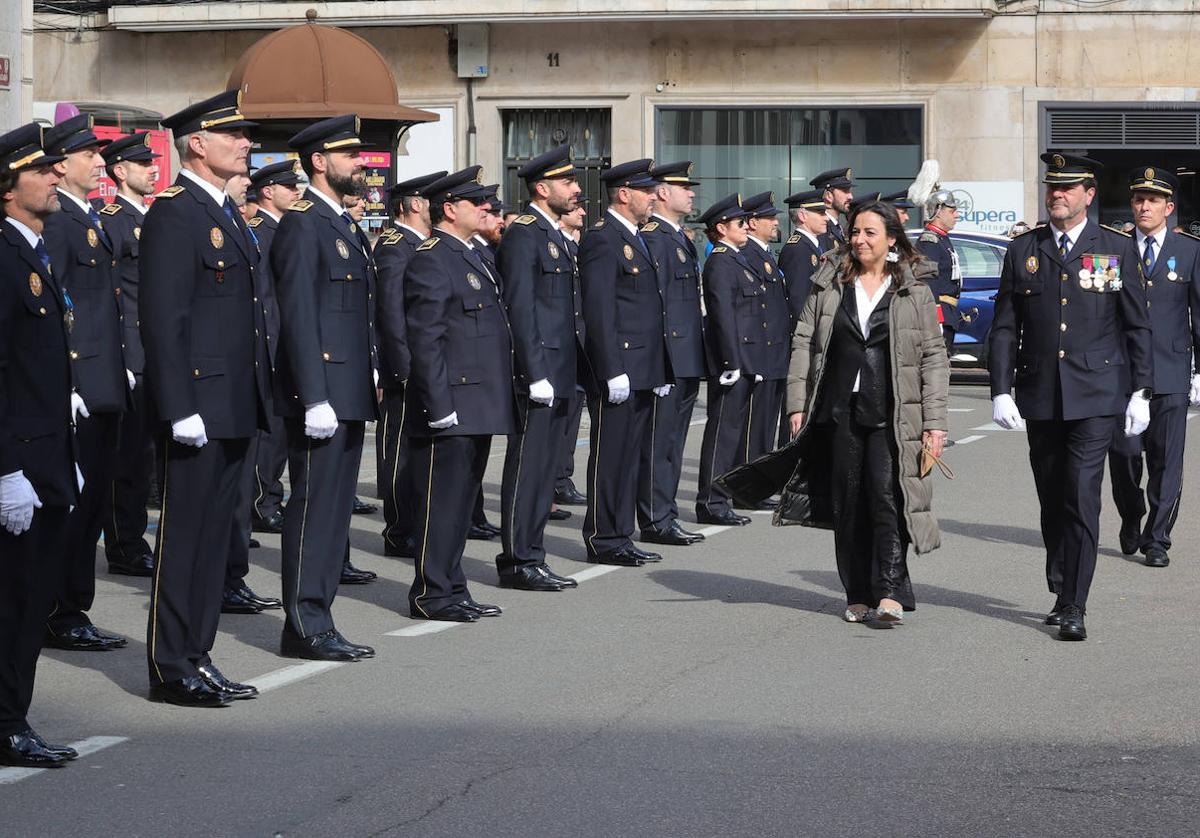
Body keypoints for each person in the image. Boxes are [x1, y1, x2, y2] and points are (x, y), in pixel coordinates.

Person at [720, 199, 949, 624]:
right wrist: (796, 405)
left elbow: (934, 356)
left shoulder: (913, 288)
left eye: (869, 233)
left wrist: (935, 422)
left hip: (892, 412)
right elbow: (804, 342)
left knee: (886, 497)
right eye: (855, 232)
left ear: (892, 239)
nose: (859, 240)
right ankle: (857, 592)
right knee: (847, 502)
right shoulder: (829, 282)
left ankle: (891, 592)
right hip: (837, 409)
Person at [988, 152, 1153, 641]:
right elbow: (1004, 326)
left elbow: (1136, 325)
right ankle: (1061, 585)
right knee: (1052, 495)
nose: (1056, 194)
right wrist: (1000, 389)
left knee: (1082, 495)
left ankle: (1074, 601)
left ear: (1088, 195)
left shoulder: (1116, 248)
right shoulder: (1024, 250)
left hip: (1098, 393)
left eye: (1067, 188)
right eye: (1051, 187)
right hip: (1041, 393)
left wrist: (1141, 389)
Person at [140, 90, 270, 705]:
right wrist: (178, 405)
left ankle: (199, 653)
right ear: (198, 143)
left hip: (235, 402)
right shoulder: (175, 212)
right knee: (186, 539)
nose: (246, 144)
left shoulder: (225, 212)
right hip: (197, 405)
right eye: (234, 135)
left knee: (217, 540)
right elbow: (165, 319)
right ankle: (172, 664)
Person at [271, 114, 379, 660]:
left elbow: (355, 314)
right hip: (323, 395)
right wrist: (313, 396)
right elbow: (298, 317)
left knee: (335, 514)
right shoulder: (302, 223)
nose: (360, 163)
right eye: (350, 155)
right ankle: (304, 625)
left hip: (349, 389)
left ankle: (320, 617)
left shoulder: (342, 224)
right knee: (314, 511)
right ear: (320, 161)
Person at [0, 123, 80, 767]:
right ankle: (6, 724)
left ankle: (11, 717)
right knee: (16, 602)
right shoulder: (3, 256)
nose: (56, 177)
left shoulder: (32, 248)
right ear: (8, 188)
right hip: (18, 460)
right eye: (41, 170)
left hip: (46, 453)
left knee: (29, 600)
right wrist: (6, 471)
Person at [404, 166, 514, 622]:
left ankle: (452, 585)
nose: (487, 208)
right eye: (477, 203)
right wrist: (438, 404)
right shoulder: (432, 257)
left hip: (478, 399)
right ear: (450, 210)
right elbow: (426, 338)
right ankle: (431, 592)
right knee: (440, 503)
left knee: (461, 502)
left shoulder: (474, 255)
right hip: (452, 401)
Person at [40, 116, 131, 654]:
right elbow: (59, 307)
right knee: (75, 506)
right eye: (90, 156)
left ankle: (74, 606)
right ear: (62, 164)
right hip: (83, 385)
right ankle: (61, 611)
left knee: (94, 500)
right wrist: (70, 382)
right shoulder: (61, 223)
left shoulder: (86, 218)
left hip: (104, 381)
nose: (101, 164)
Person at [494, 145, 586, 590]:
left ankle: (533, 553)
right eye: (568, 182)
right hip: (540, 372)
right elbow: (520, 308)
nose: (577, 189)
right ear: (541, 187)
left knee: (545, 470)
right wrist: (534, 373)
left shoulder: (554, 235)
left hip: (561, 368)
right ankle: (517, 560)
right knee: (528, 468)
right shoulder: (525, 234)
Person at [579, 159, 671, 567]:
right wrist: (611, 368)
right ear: (623, 193)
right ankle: (603, 536)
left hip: (643, 367)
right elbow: (599, 312)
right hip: (620, 368)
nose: (654, 197)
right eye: (647, 190)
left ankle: (621, 534)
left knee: (630, 455)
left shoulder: (635, 236)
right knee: (611, 456)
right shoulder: (602, 238)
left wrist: (659, 367)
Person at [1108, 167, 1200, 567]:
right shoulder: (1113, 247)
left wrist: (1199, 371)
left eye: (1153, 200)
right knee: (1125, 456)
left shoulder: (1191, 251)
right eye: (1138, 199)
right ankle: (1132, 516)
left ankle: (1158, 538)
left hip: (1170, 370)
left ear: (1169, 208)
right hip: (1122, 373)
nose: (1144, 206)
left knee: (1166, 461)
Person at [216, 170, 283, 616]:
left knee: (239, 491)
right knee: (225, 494)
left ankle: (232, 578)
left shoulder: (238, 222)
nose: (248, 181)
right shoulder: (208, 218)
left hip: (253, 364)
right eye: (241, 174)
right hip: (221, 375)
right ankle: (221, 581)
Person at [374, 170, 445, 559]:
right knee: (399, 451)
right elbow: (391, 314)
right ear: (416, 204)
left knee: (418, 450)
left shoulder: (422, 244)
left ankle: (416, 522)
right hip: (405, 369)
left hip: (423, 366)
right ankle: (399, 530)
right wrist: (402, 369)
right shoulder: (395, 246)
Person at [98, 132, 159, 579]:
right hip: (133, 351)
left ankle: (135, 538)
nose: (153, 169)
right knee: (130, 458)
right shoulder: (113, 220)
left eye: (152, 163)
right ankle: (125, 544)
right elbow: (113, 295)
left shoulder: (154, 217)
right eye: (142, 164)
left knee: (151, 454)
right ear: (120, 171)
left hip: (158, 351)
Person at [637, 161, 707, 546]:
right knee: (658, 442)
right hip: (669, 356)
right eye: (684, 187)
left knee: (674, 442)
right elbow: (658, 305)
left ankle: (666, 514)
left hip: (686, 354)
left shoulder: (677, 237)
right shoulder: (656, 238)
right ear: (663, 193)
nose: (691, 193)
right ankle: (654, 518)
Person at [245, 160, 304, 537]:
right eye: (289, 187)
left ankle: (271, 496)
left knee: (282, 433)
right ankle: (260, 502)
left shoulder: (283, 229)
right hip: (270, 343)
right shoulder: (259, 231)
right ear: (269, 191)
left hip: (286, 343)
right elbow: (263, 296)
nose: (296, 193)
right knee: (267, 435)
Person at [694, 193, 757, 527]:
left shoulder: (736, 258)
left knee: (732, 433)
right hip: (730, 362)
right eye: (740, 223)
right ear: (721, 228)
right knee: (722, 433)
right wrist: (732, 362)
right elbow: (722, 316)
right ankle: (711, 501)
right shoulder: (720, 261)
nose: (746, 227)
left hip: (744, 359)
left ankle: (722, 497)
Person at [739, 191, 791, 477]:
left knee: (766, 423)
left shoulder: (764, 253)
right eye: (769, 218)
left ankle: (758, 478)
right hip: (762, 352)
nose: (775, 223)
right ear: (752, 222)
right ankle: (750, 479)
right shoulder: (749, 254)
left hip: (775, 351)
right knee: (755, 425)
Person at [554, 201, 588, 508]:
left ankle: (562, 478)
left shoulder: (574, 249)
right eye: (576, 209)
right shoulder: (557, 246)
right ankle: (556, 481)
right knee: (561, 419)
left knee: (572, 417)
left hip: (578, 345)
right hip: (561, 345)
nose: (582, 213)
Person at [915, 190, 964, 357]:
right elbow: (928, 281)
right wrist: (936, 318)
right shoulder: (930, 241)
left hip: (948, 310)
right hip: (939, 313)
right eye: (951, 211)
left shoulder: (942, 238)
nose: (956, 215)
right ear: (938, 211)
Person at [809, 168, 854, 249]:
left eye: (850, 191)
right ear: (828, 196)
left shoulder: (835, 226)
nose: (851, 197)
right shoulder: (821, 229)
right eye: (845, 191)